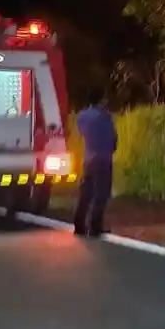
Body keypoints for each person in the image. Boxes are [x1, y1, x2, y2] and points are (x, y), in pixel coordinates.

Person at [73, 85, 117, 237]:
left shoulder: (82, 116)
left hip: (88, 159)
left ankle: (79, 224)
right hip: (103, 159)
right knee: (101, 194)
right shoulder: (105, 117)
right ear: (101, 99)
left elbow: (81, 133)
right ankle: (94, 226)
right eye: (104, 97)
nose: (106, 100)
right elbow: (113, 138)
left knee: (86, 193)